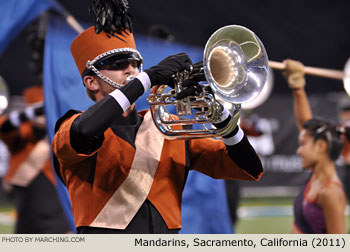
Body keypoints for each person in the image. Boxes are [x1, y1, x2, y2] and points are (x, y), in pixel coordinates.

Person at [51, 0, 264, 234]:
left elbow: (250, 167)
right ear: (91, 82)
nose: (131, 70)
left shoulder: (167, 127)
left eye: (135, 64)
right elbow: (84, 131)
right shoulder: (72, 125)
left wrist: (220, 115)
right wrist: (148, 79)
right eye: (119, 64)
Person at [282, 59, 347, 234]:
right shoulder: (315, 178)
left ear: (320, 146)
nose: (298, 151)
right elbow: (305, 125)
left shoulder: (330, 192)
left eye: (302, 144)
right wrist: (297, 85)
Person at [0, 85, 72, 233]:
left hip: (56, 201)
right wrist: (32, 112)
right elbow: (5, 126)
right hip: (28, 202)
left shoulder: (65, 131)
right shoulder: (25, 132)